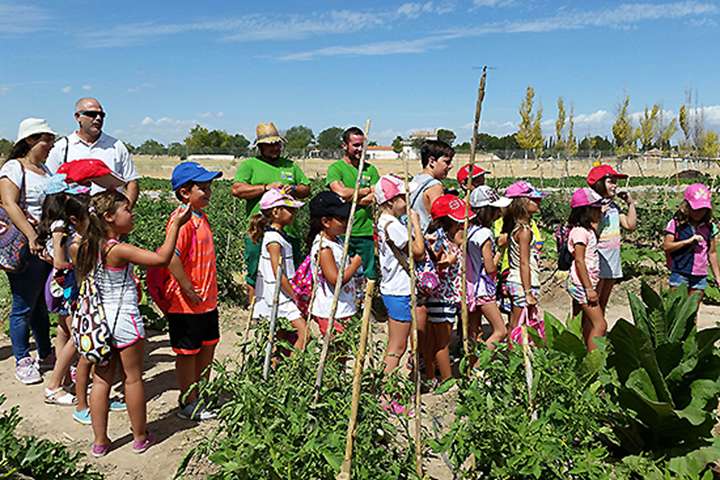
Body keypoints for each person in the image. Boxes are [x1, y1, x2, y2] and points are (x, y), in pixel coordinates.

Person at [74, 190, 192, 456]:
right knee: (132, 379)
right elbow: (161, 260)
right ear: (109, 217)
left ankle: (100, 442)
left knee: (101, 381)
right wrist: (174, 226)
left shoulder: (87, 245)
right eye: (127, 210)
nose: (133, 212)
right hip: (124, 322)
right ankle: (140, 437)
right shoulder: (119, 249)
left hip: (98, 324)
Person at [0, 118, 56, 385]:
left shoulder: (44, 168)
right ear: (31, 140)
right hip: (26, 245)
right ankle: (22, 359)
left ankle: (45, 354)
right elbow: (10, 204)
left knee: (40, 305)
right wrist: (32, 236)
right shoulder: (14, 167)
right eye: (47, 140)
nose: (50, 145)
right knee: (23, 305)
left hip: (45, 245)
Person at [166, 162, 223, 421]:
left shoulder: (201, 217)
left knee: (208, 346)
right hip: (186, 303)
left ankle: (202, 393)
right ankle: (187, 400)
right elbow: (171, 257)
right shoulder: (182, 221)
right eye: (203, 188)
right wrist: (187, 288)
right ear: (184, 193)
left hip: (206, 301)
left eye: (209, 186)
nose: (209, 192)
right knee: (188, 353)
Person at [232, 123, 311, 301]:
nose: (275, 148)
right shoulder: (249, 165)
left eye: (277, 144)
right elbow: (237, 189)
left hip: (290, 231)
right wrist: (266, 188)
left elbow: (307, 189)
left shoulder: (291, 165)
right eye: (270, 145)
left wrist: (294, 189)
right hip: (258, 230)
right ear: (260, 147)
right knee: (255, 270)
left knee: (291, 271)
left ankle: (290, 306)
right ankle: (255, 310)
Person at [36, 176, 90, 405]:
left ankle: (65, 380)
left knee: (64, 332)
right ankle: (55, 385)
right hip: (69, 284)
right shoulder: (60, 227)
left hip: (63, 284)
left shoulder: (54, 223)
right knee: (77, 337)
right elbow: (60, 262)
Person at [376, 175, 425, 390]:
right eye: (403, 197)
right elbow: (419, 253)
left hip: (394, 288)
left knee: (398, 344)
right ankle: (387, 393)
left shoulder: (385, 222)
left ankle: (387, 389)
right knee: (397, 346)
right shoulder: (393, 225)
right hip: (399, 290)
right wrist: (416, 225)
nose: (407, 201)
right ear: (390, 201)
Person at [46, 98, 140, 209]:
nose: (98, 118)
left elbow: (132, 181)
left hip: (107, 219)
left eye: (101, 115)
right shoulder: (62, 147)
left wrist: (124, 211)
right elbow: (49, 184)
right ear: (77, 117)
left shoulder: (116, 145)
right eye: (92, 114)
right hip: (73, 218)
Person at [247, 188, 308, 350]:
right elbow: (278, 275)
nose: (294, 212)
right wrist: (296, 297)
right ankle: (293, 369)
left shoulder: (278, 236)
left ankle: (277, 372)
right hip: (281, 299)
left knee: (281, 339)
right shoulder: (274, 241)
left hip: (281, 296)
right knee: (305, 334)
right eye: (290, 209)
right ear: (275, 212)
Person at [425, 194, 472, 389]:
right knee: (442, 343)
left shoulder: (447, 238)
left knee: (438, 341)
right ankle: (447, 380)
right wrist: (449, 261)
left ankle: (437, 378)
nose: (459, 225)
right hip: (441, 297)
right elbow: (434, 264)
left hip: (446, 297)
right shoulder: (439, 239)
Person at [307, 191, 363, 340]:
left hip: (342, 308)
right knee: (335, 355)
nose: (346, 222)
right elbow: (334, 279)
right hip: (331, 311)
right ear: (325, 222)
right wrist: (355, 265)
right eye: (341, 219)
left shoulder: (335, 241)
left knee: (342, 354)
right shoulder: (324, 248)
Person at [327, 127, 379, 282]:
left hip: (365, 231)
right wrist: (365, 190)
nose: (360, 149)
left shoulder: (371, 170)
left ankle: (366, 305)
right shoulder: (336, 169)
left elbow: (376, 196)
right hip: (342, 232)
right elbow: (340, 193)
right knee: (345, 273)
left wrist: (352, 197)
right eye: (356, 145)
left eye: (362, 145)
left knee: (368, 274)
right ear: (345, 146)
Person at [586, 165, 637, 315]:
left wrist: (630, 204)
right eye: (611, 182)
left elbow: (630, 225)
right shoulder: (592, 206)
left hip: (612, 259)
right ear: (600, 183)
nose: (615, 185)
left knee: (603, 301)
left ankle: (598, 332)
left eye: (615, 182)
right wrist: (598, 215)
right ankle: (590, 331)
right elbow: (587, 232)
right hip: (598, 258)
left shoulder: (613, 206)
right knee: (594, 301)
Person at [467, 186, 510, 357]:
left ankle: (469, 367)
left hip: (471, 287)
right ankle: (479, 367)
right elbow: (490, 267)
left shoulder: (469, 231)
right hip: (483, 289)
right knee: (500, 331)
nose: (499, 212)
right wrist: (500, 251)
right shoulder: (485, 234)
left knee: (473, 330)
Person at [663, 183, 720, 307]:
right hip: (680, 273)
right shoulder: (676, 224)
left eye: (703, 209)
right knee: (675, 310)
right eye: (696, 208)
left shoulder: (709, 227)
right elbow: (667, 246)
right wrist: (687, 241)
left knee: (692, 312)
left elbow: (712, 252)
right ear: (687, 206)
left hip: (700, 276)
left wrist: (718, 277)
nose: (700, 212)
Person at [502, 181, 546, 335]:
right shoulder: (525, 231)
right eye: (534, 199)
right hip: (523, 282)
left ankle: (512, 355)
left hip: (516, 280)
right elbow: (524, 262)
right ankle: (518, 355)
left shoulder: (516, 228)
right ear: (522, 203)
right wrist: (528, 292)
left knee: (514, 323)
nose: (539, 202)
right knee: (520, 326)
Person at [567, 188, 608, 351]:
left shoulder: (588, 231)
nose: (600, 212)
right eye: (596, 209)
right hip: (582, 284)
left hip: (584, 283)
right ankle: (593, 364)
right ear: (586, 211)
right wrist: (589, 289)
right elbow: (579, 261)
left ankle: (582, 353)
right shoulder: (580, 232)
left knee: (584, 321)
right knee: (600, 324)